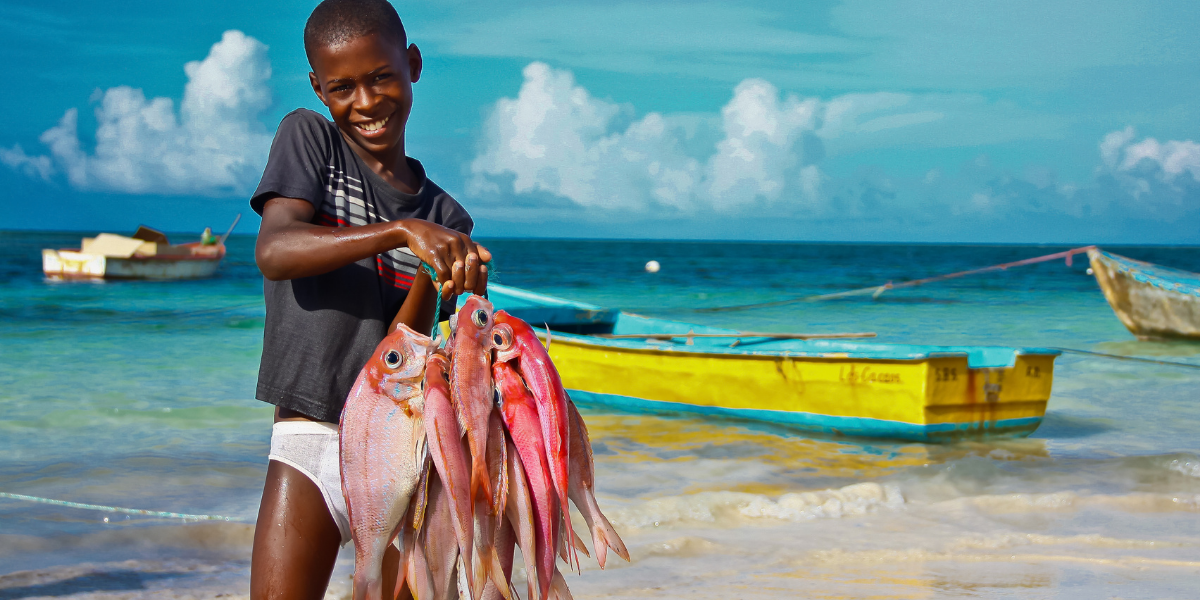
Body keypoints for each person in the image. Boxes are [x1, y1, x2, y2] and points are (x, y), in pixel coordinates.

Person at [247, 1, 489, 597]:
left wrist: (442, 279)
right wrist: (398, 232)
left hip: (401, 452)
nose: (366, 101)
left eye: (381, 76)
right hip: (310, 439)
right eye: (343, 86)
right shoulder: (310, 140)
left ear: (412, 65)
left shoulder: (446, 216)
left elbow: (400, 355)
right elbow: (275, 249)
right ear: (317, 88)